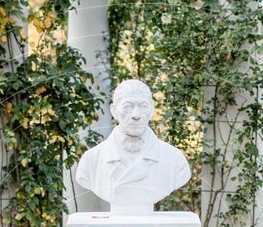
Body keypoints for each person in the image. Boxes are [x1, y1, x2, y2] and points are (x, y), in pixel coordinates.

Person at [75, 79, 191, 214]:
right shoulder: (91, 160)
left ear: (151, 110)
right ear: (114, 111)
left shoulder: (174, 160)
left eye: (143, 106)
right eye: (128, 106)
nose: (136, 115)